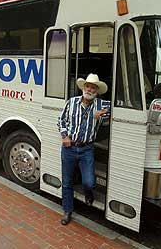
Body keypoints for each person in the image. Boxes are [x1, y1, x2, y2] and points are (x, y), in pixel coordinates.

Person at [58, 73, 109, 225]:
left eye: (93, 87)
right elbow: (61, 120)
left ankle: (88, 194)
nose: (90, 89)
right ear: (83, 87)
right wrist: (65, 136)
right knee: (67, 182)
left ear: (97, 91)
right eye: (88, 86)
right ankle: (67, 211)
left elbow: (117, 110)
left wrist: (102, 116)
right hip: (69, 148)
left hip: (87, 149)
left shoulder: (102, 105)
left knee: (88, 182)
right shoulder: (71, 102)